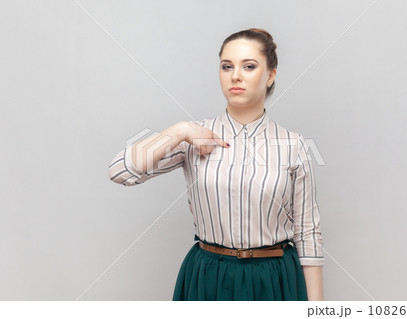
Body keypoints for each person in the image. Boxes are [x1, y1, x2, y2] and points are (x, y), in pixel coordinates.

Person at [108, 28, 325, 301]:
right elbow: (120, 171)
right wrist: (178, 131)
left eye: (249, 66)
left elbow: (308, 235)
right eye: (226, 66)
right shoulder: (193, 135)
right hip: (208, 275)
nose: (235, 75)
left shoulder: (294, 146)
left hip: (274, 277)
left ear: (270, 75)